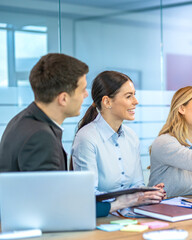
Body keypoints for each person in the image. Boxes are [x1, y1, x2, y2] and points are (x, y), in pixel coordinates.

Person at [0, 53, 147, 217]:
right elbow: (53, 208)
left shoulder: (24, 121)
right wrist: (120, 203)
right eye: (82, 90)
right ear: (63, 98)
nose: (86, 95)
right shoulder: (40, 136)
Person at [72, 71, 166, 211]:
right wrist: (128, 200)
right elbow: (88, 196)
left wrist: (147, 192)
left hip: (129, 216)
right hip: (101, 218)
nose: (136, 101)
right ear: (107, 102)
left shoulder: (131, 136)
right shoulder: (87, 138)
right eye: (129, 96)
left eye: (134, 94)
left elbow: (135, 184)